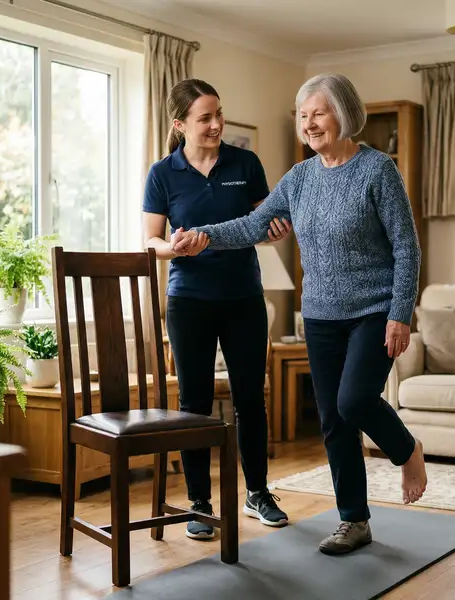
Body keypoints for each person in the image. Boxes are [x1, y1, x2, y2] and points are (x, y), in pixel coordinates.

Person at [171, 73, 428, 555]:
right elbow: (253, 224)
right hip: (321, 316)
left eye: (319, 113)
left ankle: (406, 449)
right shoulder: (299, 178)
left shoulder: (378, 170)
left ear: (344, 114)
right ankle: (354, 520)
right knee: (333, 419)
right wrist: (202, 235)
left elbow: (406, 247)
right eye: (303, 115)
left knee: (354, 401)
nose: (309, 124)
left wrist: (400, 313)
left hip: (373, 311)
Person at [143, 78, 291, 541]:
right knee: (194, 405)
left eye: (218, 114)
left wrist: (275, 231)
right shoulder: (162, 174)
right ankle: (199, 503)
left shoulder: (245, 163)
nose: (215, 124)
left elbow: (263, 222)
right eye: (205, 117)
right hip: (188, 302)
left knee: (250, 399)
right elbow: (149, 241)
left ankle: (258, 493)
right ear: (180, 124)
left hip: (244, 298)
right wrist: (173, 249)